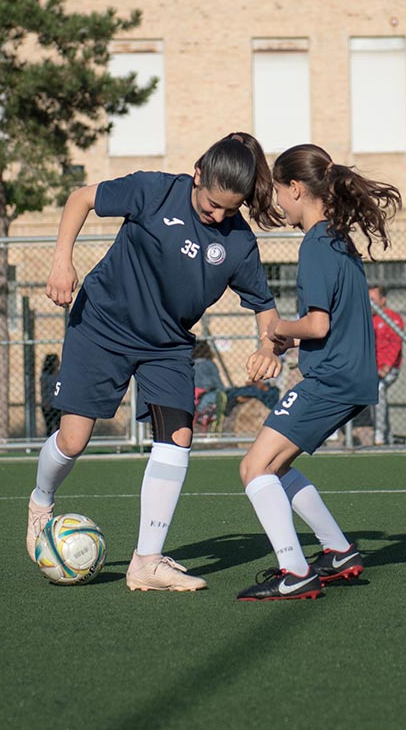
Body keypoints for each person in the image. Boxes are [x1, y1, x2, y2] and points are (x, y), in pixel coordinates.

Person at [30, 133, 285, 593]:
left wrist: (269, 347)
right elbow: (80, 198)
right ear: (197, 175)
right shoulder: (153, 190)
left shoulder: (239, 243)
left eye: (231, 210)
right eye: (211, 206)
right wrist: (61, 261)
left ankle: (145, 562)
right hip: (102, 324)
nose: (219, 217)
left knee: (179, 436)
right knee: (74, 438)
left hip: (166, 345)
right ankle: (41, 503)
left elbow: (265, 308)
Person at [235, 144, 402, 601]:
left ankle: (295, 570)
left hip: (332, 378)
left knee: (254, 467)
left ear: (296, 188)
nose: (278, 204)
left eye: (280, 193)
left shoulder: (314, 244)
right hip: (349, 376)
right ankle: (339, 550)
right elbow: (329, 325)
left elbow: (318, 323)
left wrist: (274, 329)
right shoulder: (337, 239)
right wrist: (295, 337)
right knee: (279, 464)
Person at [351, 284, 403, 447]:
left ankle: (380, 434)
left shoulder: (393, 318)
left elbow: (395, 345)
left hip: (388, 369)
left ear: (383, 300)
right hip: (368, 369)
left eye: (372, 300)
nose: (369, 304)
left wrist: (386, 366)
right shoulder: (366, 320)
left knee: (379, 389)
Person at [38, 353, 62, 437]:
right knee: (49, 427)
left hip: (58, 403)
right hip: (49, 404)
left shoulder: (60, 374)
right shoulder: (45, 376)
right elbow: (43, 391)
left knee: (59, 426)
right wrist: (45, 403)